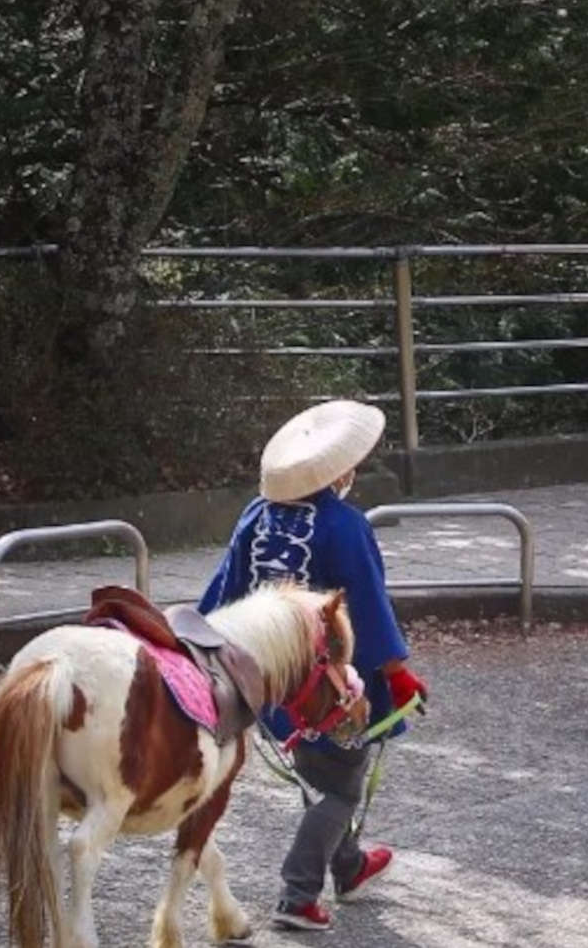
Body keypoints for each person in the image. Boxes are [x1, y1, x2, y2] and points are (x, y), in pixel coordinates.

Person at [198, 399, 430, 932]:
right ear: (339, 474)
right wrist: (396, 671)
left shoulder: (254, 516)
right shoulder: (344, 526)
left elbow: (224, 594)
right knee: (340, 789)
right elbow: (368, 607)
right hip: (328, 683)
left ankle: (347, 867)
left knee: (320, 776)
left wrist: (204, 648)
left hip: (267, 680)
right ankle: (297, 895)